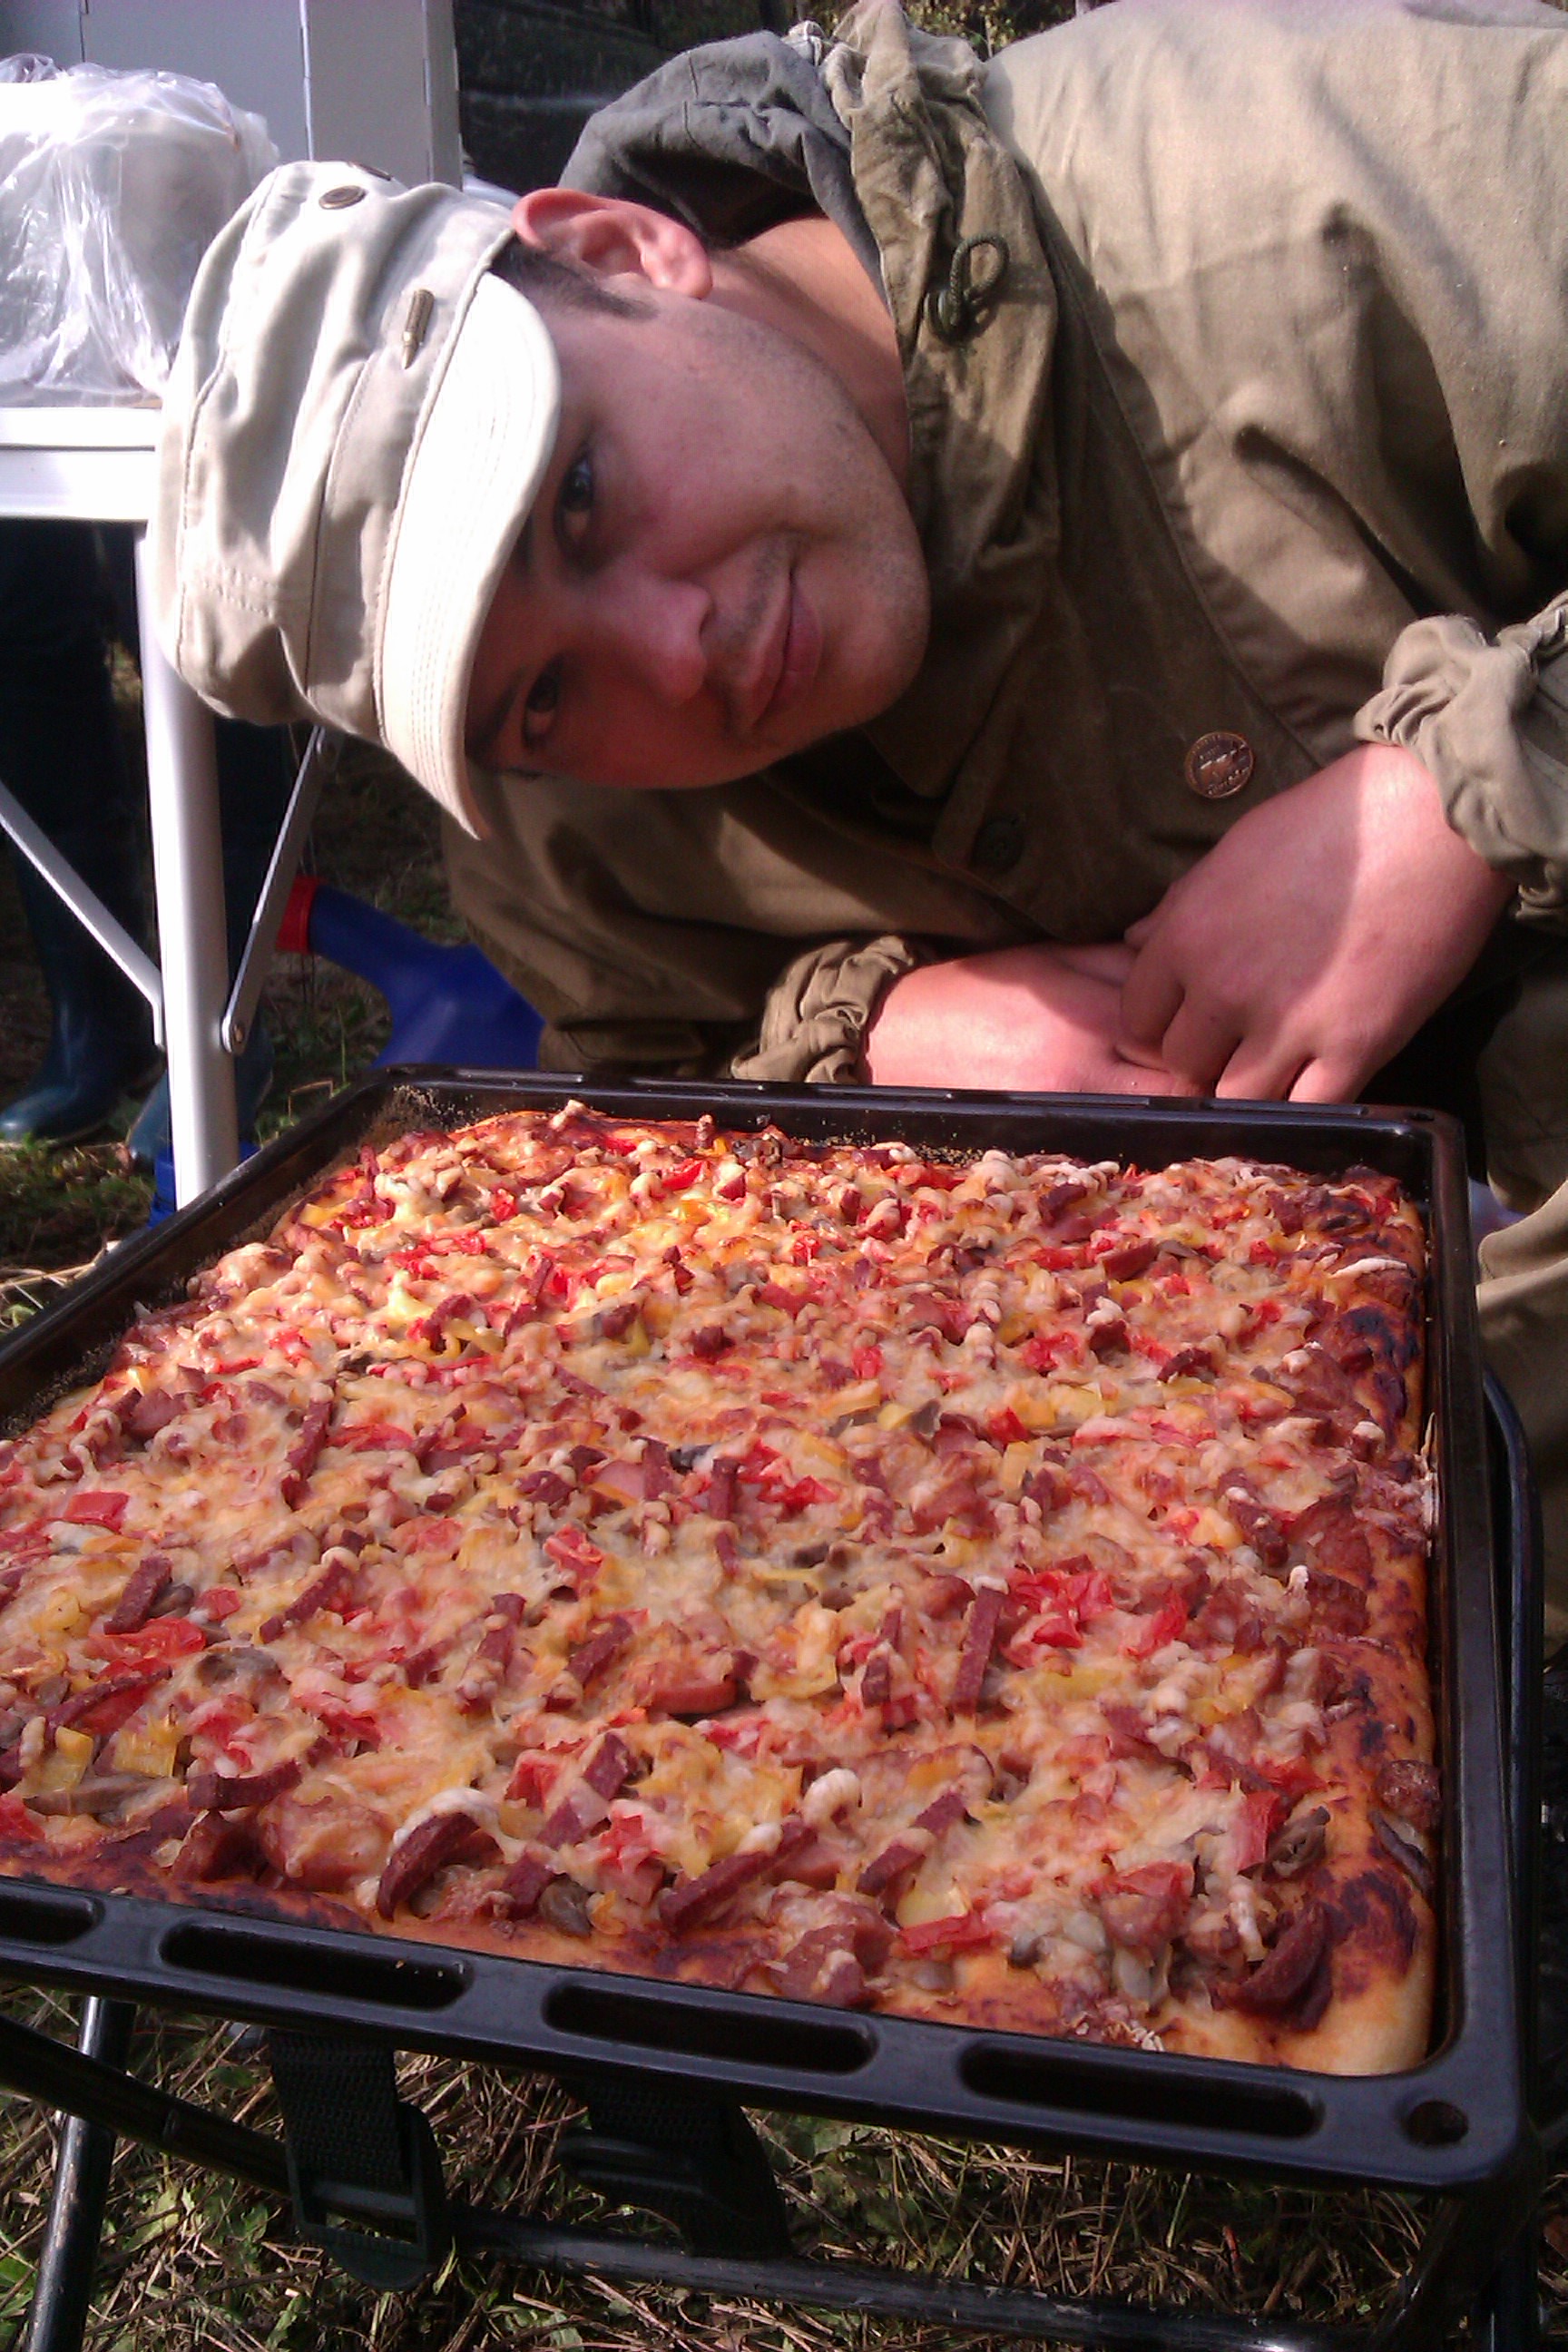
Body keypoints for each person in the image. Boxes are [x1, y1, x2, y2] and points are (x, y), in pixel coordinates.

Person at [147, 0, 1568, 1619]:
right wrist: (869, 1036)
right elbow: (645, 1128)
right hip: (1164, 1603)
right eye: (540, 696)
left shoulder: (1303, 168)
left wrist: (1460, 794)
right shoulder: (560, 831)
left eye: (582, 497)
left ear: (621, 247)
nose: (673, 654)